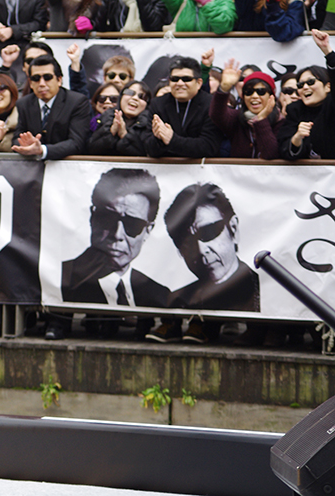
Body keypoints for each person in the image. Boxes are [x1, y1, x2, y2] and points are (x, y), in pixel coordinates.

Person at [61, 168, 170, 310]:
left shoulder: (159, 294)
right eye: (108, 219)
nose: (117, 235)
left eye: (132, 224)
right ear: (93, 218)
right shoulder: (59, 280)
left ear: (148, 230)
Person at [164, 183, 260, 313]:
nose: (201, 250)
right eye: (188, 243)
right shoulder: (176, 303)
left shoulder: (267, 291)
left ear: (233, 229)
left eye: (208, 232)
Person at [12, 54, 91, 160]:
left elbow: (77, 142)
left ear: (59, 80)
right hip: (33, 166)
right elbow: (17, 138)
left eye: (47, 77)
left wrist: (42, 150)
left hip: (67, 165)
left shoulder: (77, 102)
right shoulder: (23, 104)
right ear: (30, 83)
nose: (42, 83)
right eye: (36, 78)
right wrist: (26, 145)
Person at [144, 57, 223, 158]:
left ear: (199, 83)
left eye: (186, 79)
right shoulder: (157, 103)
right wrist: (158, 139)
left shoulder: (211, 104)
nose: (180, 83)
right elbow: (149, 148)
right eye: (175, 79)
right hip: (165, 166)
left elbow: (209, 146)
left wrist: (172, 140)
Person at [279, 28, 335, 159]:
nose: (304, 87)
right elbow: (284, 149)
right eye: (300, 85)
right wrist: (297, 138)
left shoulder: (331, 103)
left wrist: (327, 51)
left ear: (328, 87)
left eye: (310, 82)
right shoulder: (294, 110)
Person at [210, 60, 282, 159]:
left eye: (261, 91)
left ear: (271, 96)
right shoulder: (236, 118)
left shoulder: (280, 121)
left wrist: (261, 120)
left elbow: (270, 154)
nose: (254, 96)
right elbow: (216, 115)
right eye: (249, 92)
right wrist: (224, 88)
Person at [88, 80, 152, 156]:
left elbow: (147, 153)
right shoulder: (106, 117)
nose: (135, 98)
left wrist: (124, 135)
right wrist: (111, 131)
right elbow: (91, 149)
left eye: (142, 97)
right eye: (130, 93)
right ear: (121, 97)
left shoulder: (149, 125)